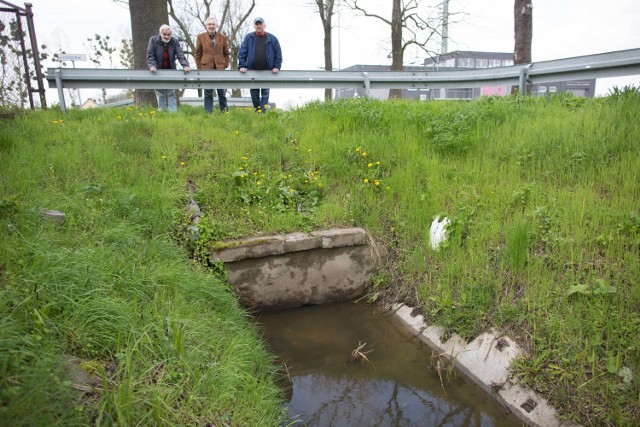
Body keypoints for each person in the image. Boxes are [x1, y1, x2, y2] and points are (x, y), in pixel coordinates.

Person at [238, 17, 282, 113]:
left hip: (267, 71)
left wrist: (276, 66)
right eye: (257, 24)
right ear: (254, 26)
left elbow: (278, 53)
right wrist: (242, 65)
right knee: (254, 92)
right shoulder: (249, 37)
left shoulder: (272, 38)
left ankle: (263, 112)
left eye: (260, 24)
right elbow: (242, 52)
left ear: (264, 25)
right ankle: (257, 111)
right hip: (252, 70)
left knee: (265, 92)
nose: (259, 26)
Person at [146, 24, 190, 112]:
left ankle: (172, 114)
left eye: (168, 34)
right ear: (160, 34)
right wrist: (152, 65)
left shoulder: (174, 41)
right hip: (157, 71)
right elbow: (150, 55)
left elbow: (180, 54)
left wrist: (185, 65)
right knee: (160, 93)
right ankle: (162, 113)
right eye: (164, 34)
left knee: (171, 93)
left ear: (171, 34)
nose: (166, 36)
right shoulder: (153, 40)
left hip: (171, 70)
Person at [195, 17, 231, 113]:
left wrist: (225, 64)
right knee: (208, 92)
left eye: (213, 24)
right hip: (206, 68)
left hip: (219, 68)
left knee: (222, 92)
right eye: (209, 24)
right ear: (206, 26)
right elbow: (198, 53)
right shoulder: (201, 37)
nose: (211, 26)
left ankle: (224, 112)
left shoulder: (223, 37)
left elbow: (226, 53)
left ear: (216, 25)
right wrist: (200, 67)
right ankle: (208, 112)